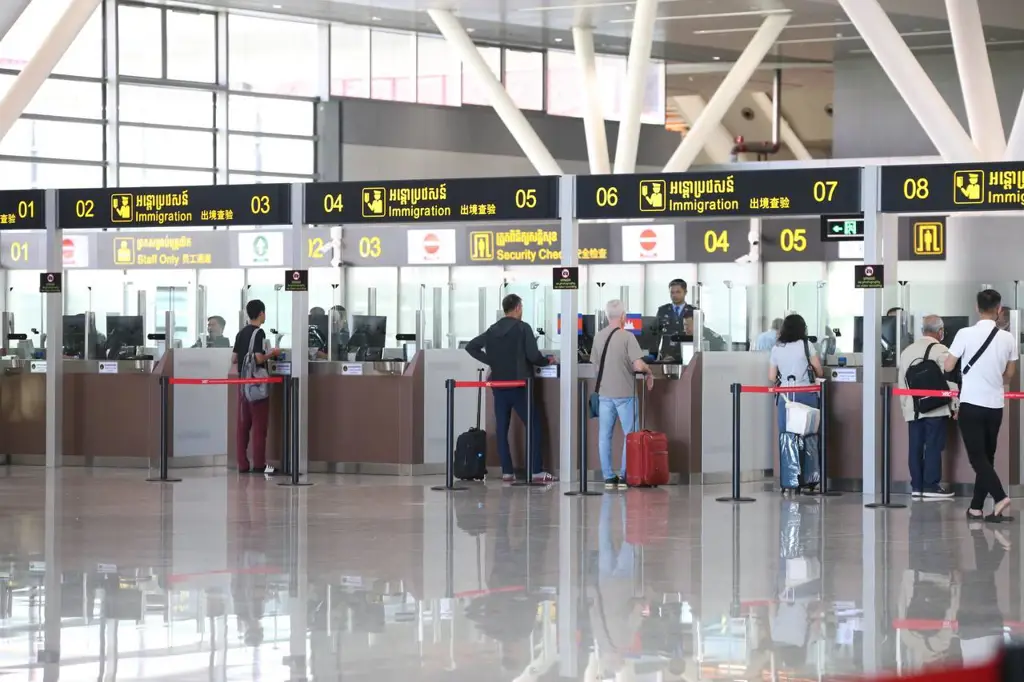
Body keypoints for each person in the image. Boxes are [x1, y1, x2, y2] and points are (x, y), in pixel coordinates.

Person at [465, 294, 557, 483]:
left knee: (502, 428)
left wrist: (491, 360)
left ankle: (507, 471)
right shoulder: (523, 328)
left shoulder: (492, 330)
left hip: (499, 385)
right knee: (534, 426)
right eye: (521, 307)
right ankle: (535, 470)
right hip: (519, 385)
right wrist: (547, 361)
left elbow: (471, 347)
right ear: (517, 308)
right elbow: (533, 356)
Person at [943, 289, 1017, 522]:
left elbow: (947, 366)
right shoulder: (1008, 338)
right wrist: (993, 376)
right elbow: (1010, 375)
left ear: (977, 308)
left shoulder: (965, 334)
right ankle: (976, 508)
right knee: (987, 457)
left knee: (977, 458)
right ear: (999, 309)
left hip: (972, 403)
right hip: (995, 405)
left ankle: (999, 496)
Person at [591, 299, 654, 489]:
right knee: (630, 435)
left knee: (604, 435)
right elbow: (637, 365)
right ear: (624, 316)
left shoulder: (598, 337)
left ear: (606, 316)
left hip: (604, 393)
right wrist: (649, 371)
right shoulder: (627, 337)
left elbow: (595, 367)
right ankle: (626, 475)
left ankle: (609, 478)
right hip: (625, 393)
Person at [898, 315, 956, 499]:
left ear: (922, 330)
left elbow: (902, 382)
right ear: (940, 332)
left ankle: (916, 486)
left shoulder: (907, 351)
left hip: (913, 408)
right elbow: (950, 380)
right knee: (933, 445)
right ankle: (931, 486)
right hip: (935, 407)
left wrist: (905, 407)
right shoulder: (942, 350)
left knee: (914, 446)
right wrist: (955, 405)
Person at [769, 314, 824, 493]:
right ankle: (810, 478)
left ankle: (790, 480)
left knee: (787, 436)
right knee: (808, 435)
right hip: (807, 394)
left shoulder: (777, 348)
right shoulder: (807, 345)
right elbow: (819, 369)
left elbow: (771, 376)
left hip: (785, 396)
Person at [232, 299, 280, 475]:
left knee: (243, 425)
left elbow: (234, 359)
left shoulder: (241, 333)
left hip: (242, 384)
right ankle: (259, 464)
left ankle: (242, 464)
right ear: (261, 313)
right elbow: (259, 359)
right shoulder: (258, 333)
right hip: (257, 384)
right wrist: (272, 353)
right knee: (259, 426)